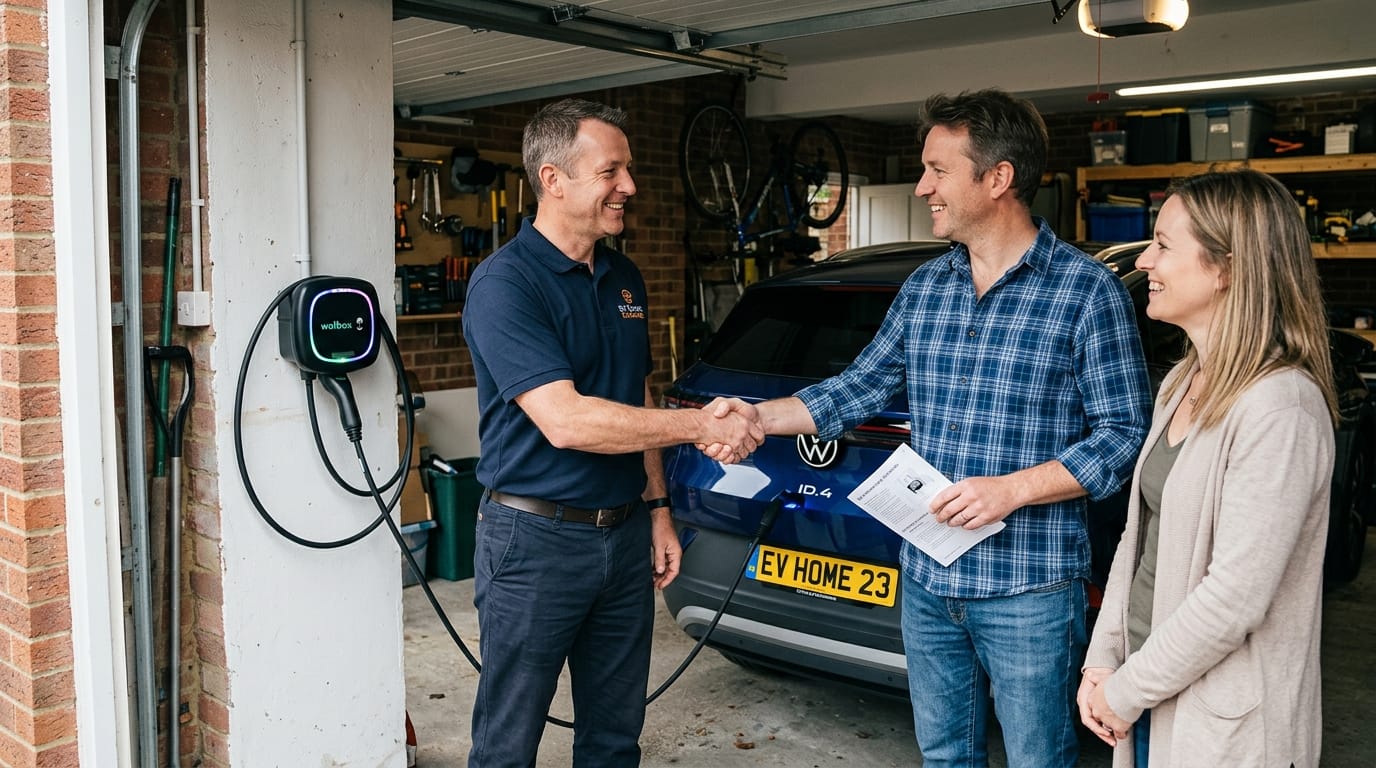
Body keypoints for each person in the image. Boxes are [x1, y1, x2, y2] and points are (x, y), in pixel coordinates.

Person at [709, 89, 1152, 766]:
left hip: (1027, 587)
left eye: (938, 170)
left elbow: (1123, 435)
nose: (922, 188)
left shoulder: (1086, 292)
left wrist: (1012, 490)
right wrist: (757, 417)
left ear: (998, 178)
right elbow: (854, 389)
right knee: (944, 756)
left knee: (1039, 758)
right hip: (927, 577)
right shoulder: (926, 288)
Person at [461, 98, 762, 768]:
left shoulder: (624, 277)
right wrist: (700, 423)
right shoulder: (505, 285)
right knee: (508, 742)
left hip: (624, 535)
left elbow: (637, 397)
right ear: (554, 179)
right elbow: (566, 421)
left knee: (614, 737)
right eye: (612, 170)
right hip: (533, 542)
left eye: (627, 170)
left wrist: (657, 510)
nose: (629, 186)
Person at [1078, 169, 1336, 768]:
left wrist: (1124, 691)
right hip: (1142, 695)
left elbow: (1235, 598)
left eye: (1164, 245)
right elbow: (1137, 542)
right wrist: (1104, 659)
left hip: (1221, 728)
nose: (1145, 260)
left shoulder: (1280, 407)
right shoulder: (1180, 381)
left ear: (1226, 268)